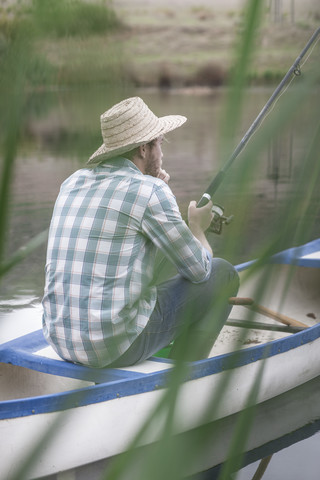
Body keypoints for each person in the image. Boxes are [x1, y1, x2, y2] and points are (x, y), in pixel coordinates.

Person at [42, 96, 239, 368]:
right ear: (144, 149)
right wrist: (197, 228)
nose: (162, 153)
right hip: (114, 348)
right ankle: (183, 377)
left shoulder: (72, 183)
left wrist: (151, 187)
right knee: (223, 273)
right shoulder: (151, 192)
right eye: (159, 143)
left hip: (59, 340)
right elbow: (199, 271)